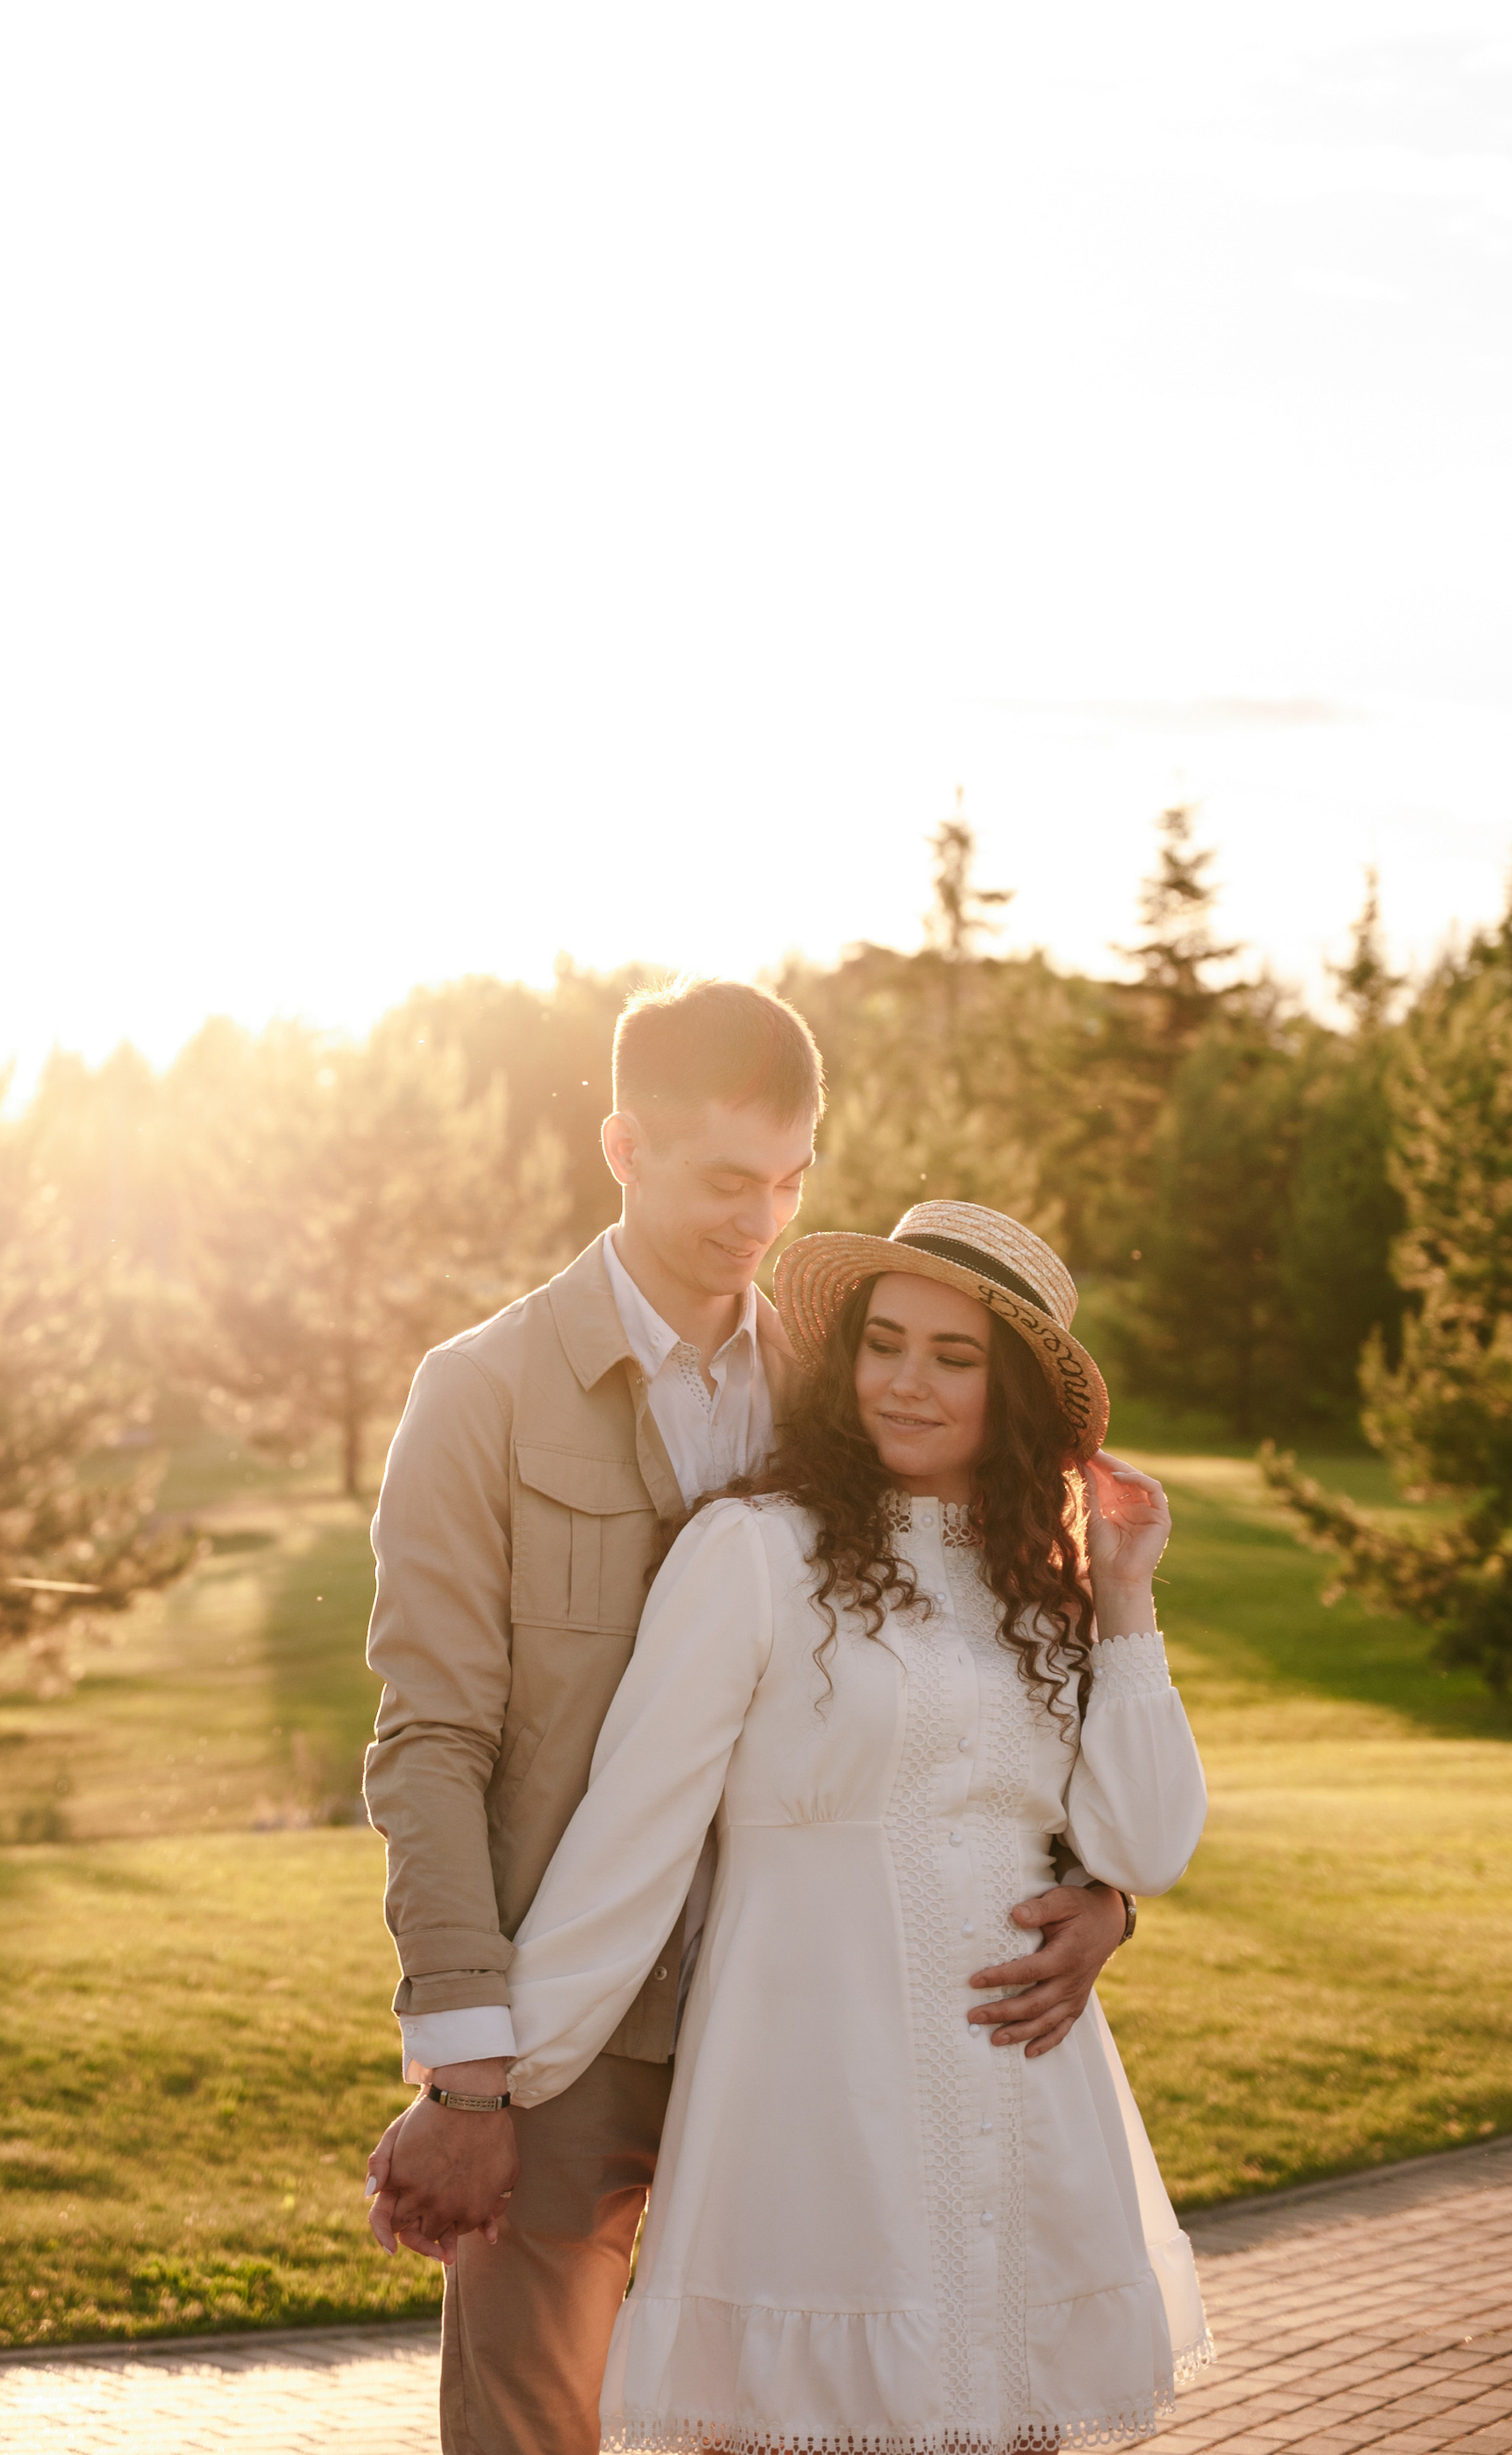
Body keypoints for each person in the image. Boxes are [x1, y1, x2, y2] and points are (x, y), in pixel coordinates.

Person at [362, 984, 1133, 2455]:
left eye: (790, 1180)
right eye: (728, 1181)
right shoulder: (482, 1396)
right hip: (572, 2034)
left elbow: (976, 1677)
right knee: (534, 2428)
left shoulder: (841, 1393)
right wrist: (469, 2070)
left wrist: (1104, 1895)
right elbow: (433, 1741)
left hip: (814, 2032)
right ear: (624, 1145)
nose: (761, 1221)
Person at [500, 1199, 1211, 2455]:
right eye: (886, 1342)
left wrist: (1126, 1592)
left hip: (1026, 2105)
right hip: (811, 2106)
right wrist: (491, 2080)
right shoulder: (753, 1553)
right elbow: (632, 1843)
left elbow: (1142, 1844)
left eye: (954, 1356)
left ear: (1015, 1399)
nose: (906, 1382)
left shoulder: (1043, 1590)